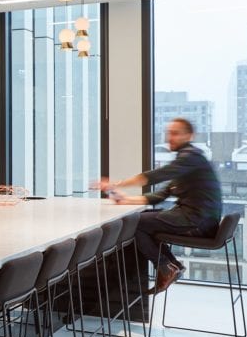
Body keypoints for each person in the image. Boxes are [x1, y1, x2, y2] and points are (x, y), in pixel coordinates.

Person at [95, 117, 222, 294]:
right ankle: (171, 266)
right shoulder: (186, 164)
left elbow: (155, 176)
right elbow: (159, 196)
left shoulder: (191, 157)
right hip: (195, 218)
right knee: (143, 218)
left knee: (135, 223)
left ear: (189, 136)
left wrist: (115, 184)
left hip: (198, 222)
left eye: (175, 133)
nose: (169, 137)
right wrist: (125, 199)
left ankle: (166, 267)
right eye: (169, 133)